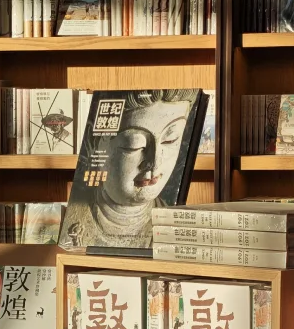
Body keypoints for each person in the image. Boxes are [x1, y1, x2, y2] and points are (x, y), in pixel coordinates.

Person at [60, 89, 201, 250]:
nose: (154, 163)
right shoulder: (73, 220)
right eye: (134, 145)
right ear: (94, 143)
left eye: (170, 140)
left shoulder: (173, 230)